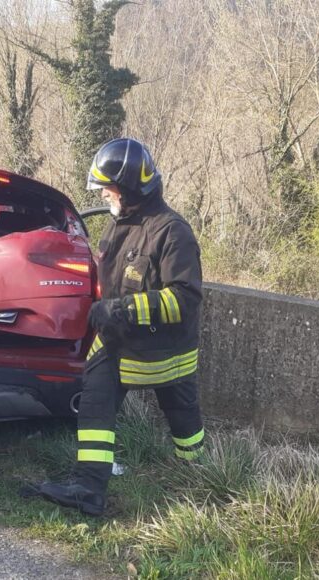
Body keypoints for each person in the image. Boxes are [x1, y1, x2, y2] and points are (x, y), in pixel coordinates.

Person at [35, 138, 205, 516]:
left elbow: (185, 299)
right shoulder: (119, 226)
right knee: (108, 397)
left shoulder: (173, 232)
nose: (103, 195)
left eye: (107, 188)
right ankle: (190, 473)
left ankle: (196, 474)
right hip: (127, 344)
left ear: (128, 188)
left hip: (160, 351)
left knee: (176, 412)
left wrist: (122, 310)